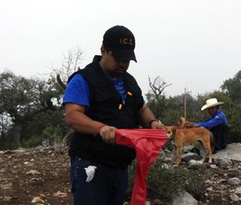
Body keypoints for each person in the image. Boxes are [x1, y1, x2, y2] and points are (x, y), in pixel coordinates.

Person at [63, 25, 166, 205]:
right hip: (91, 163)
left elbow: (141, 108)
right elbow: (73, 116)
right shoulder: (83, 79)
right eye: (118, 58)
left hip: (119, 167)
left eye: (127, 59)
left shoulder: (129, 81)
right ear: (104, 51)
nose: (123, 64)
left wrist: (152, 122)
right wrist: (100, 129)